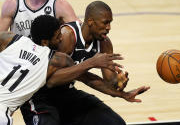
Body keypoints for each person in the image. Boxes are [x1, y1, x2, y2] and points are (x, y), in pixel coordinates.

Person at [20, 1, 150, 125]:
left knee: (115, 122)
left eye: (110, 23)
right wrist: (91, 63)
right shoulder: (67, 36)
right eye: (105, 23)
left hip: (67, 93)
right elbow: (50, 81)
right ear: (90, 21)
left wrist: (119, 85)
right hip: (40, 96)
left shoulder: (104, 43)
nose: (109, 28)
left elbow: (100, 80)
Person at [0, 15, 129, 125]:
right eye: (57, 36)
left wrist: (122, 94)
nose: (61, 38)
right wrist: (92, 62)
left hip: (64, 96)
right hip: (29, 103)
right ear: (45, 42)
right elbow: (54, 82)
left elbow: (88, 78)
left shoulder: (11, 39)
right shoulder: (56, 60)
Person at [0, 0, 79, 36]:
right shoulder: (13, 3)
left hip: (47, 61)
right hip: (19, 59)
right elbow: (1, 36)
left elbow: (79, 32)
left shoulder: (60, 4)